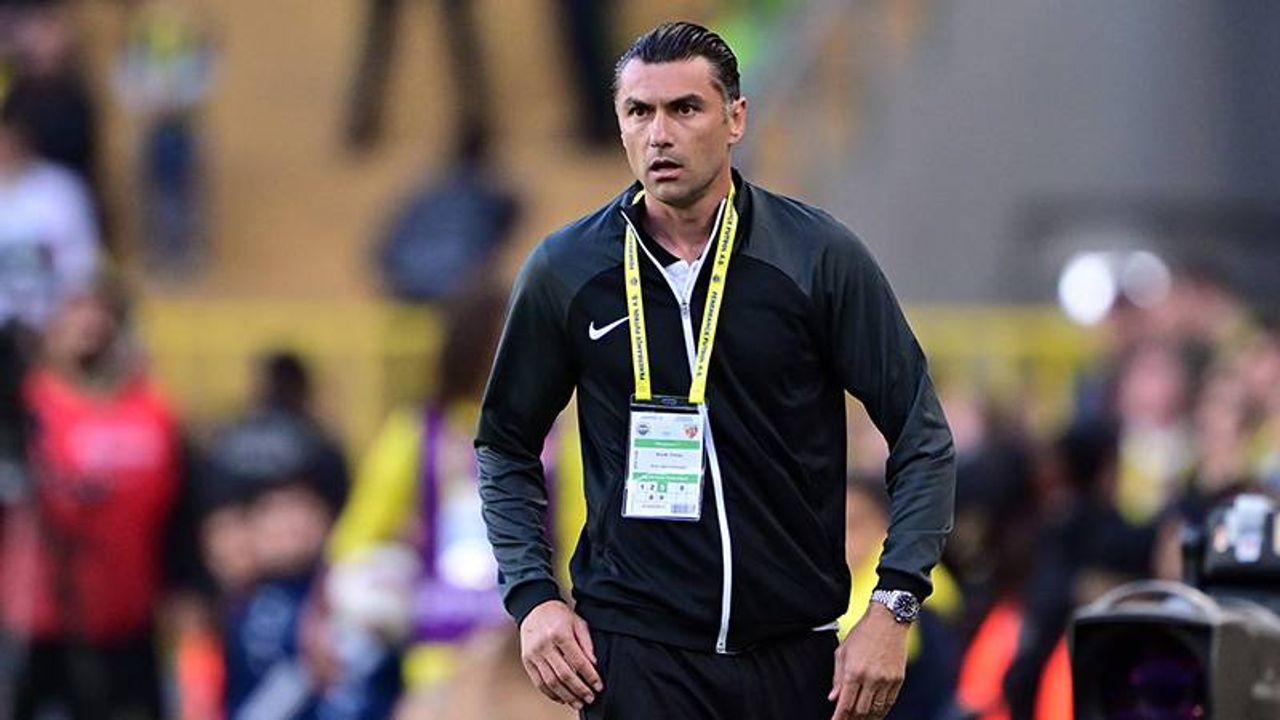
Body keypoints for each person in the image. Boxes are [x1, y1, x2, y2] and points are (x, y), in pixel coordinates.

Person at [475, 21, 955, 720]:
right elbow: (504, 444)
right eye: (639, 111)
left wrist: (893, 605)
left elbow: (921, 435)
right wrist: (533, 597)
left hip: (794, 657)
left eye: (684, 109)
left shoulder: (815, 256)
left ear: (735, 119)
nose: (659, 135)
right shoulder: (567, 270)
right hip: (636, 657)